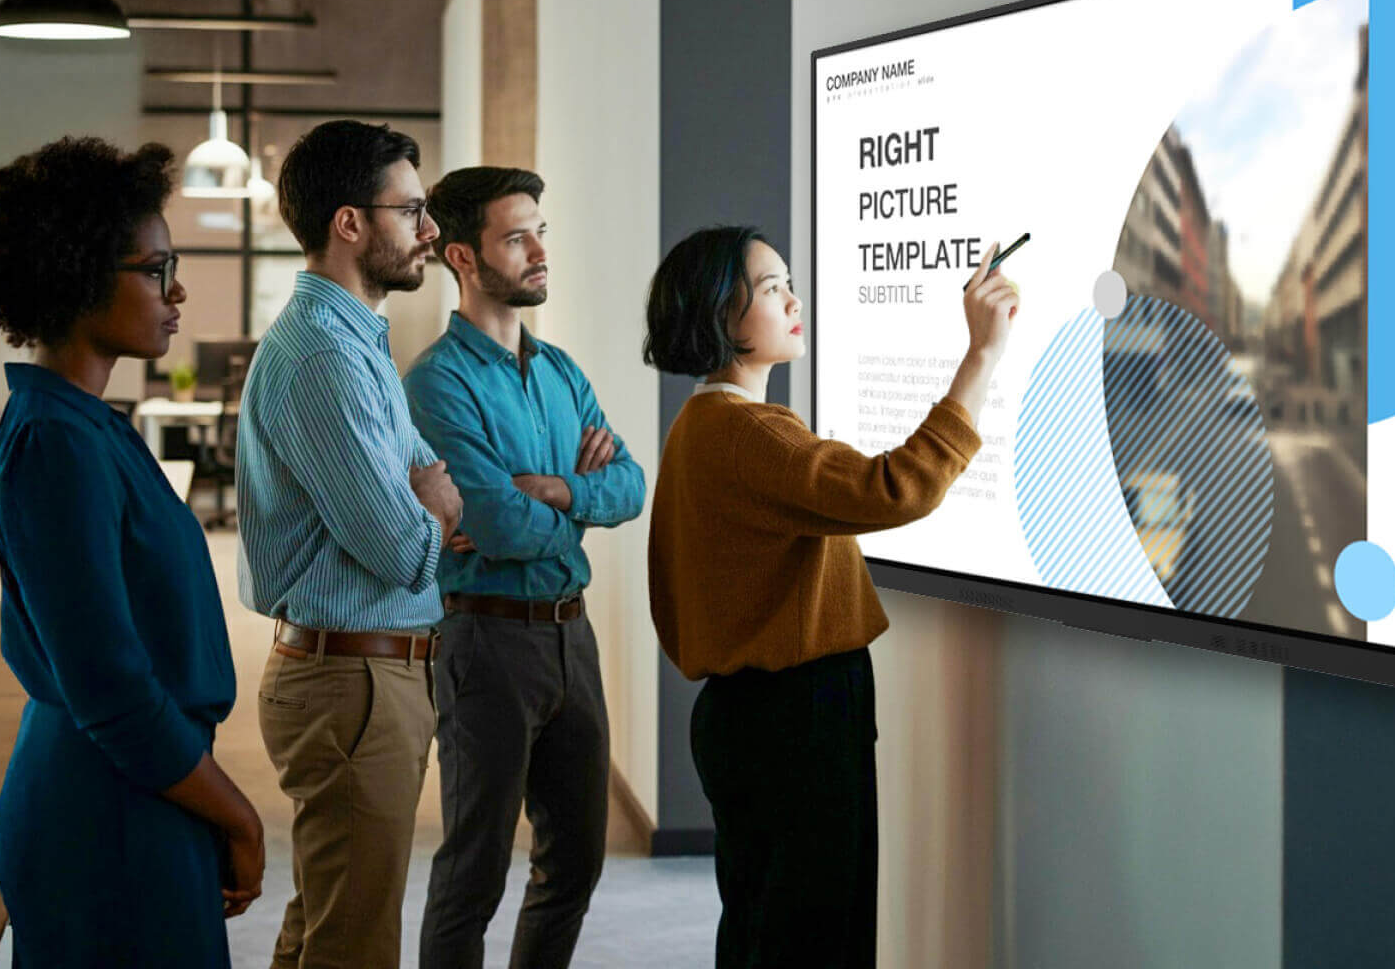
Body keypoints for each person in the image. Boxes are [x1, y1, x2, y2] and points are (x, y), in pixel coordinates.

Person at [642, 226, 1017, 969]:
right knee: (813, 938)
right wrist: (980, 358)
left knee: (763, 925)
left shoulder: (703, 422)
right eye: (772, 286)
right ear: (723, 314)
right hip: (796, 716)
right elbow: (895, 488)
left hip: (749, 714)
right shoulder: (749, 432)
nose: (793, 299)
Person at [0, 136, 264, 967]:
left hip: (142, 788)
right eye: (157, 269)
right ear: (82, 274)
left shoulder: (87, 427)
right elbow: (110, 688)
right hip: (108, 805)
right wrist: (237, 813)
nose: (178, 291)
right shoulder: (56, 443)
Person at [234, 119, 465, 969]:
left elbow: (428, 494)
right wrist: (430, 505)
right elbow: (403, 542)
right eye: (412, 211)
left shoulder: (355, 339)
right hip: (350, 679)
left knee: (330, 924)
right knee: (355, 943)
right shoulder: (324, 355)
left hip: (363, 673)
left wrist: (427, 501)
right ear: (350, 224)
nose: (431, 233)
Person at [404, 167, 646, 969]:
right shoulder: (436, 382)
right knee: (473, 871)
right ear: (464, 258)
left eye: (540, 231)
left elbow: (632, 485)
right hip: (485, 643)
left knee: (576, 859)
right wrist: (576, 510)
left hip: (571, 641)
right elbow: (496, 522)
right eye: (517, 236)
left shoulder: (561, 371)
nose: (540, 251)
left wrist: (563, 491)